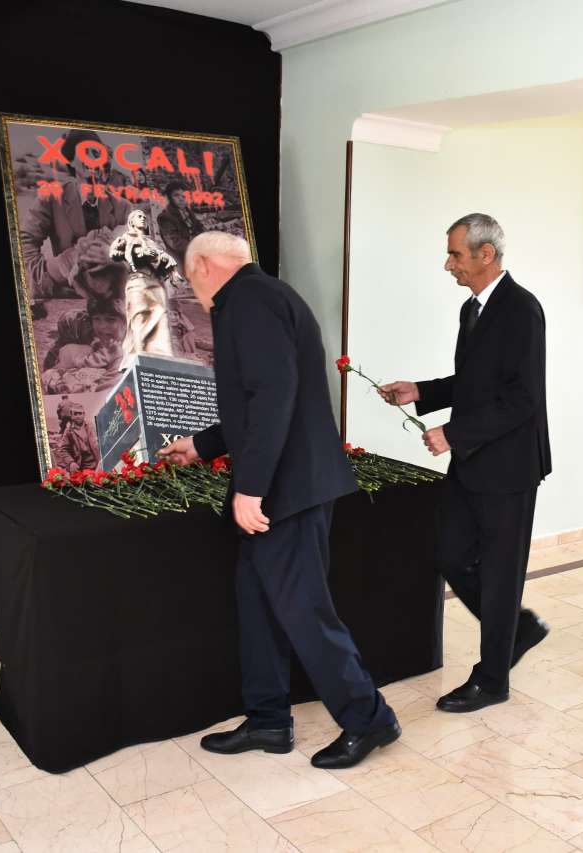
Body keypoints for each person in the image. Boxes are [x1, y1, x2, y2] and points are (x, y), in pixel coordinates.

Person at [159, 232, 399, 770]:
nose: (192, 288)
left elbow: (273, 396)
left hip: (286, 490)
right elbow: (258, 401)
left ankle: (370, 719)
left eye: (189, 276)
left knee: (304, 610)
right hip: (289, 484)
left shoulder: (248, 300)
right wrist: (202, 445)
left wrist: (252, 488)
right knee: (260, 604)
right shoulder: (263, 296)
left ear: (203, 264)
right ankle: (268, 719)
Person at [380, 213, 551, 714]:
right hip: (474, 460)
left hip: (510, 467)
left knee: (500, 576)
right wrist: (421, 392)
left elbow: (523, 399)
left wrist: (452, 434)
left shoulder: (522, 310)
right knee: (450, 554)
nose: (448, 264)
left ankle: (493, 679)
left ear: (486, 254)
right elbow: (475, 383)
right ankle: (518, 629)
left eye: (455, 254)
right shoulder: (471, 309)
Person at [18, 128, 130, 300]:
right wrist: (50, 276)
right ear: (71, 161)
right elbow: (24, 242)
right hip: (68, 293)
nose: (92, 159)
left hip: (111, 294)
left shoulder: (122, 207)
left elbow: (139, 249)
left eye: (97, 153)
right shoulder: (52, 197)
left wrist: (114, 255)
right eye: (85, 152)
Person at [111, 209, 176, 358]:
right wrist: (138, 252)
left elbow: (163, 263)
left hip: (155, 284)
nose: (142, 219)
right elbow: (114, 254)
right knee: (139, 314)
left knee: (160, 314)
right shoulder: (125, 238)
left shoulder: (151, 242)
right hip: (137, 281)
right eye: (138, 216)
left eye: (144, 217)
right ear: (131, 221)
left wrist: (160, 259)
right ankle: (139, 353)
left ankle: (161, 354)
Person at [157, 181, 206, 262]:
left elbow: (198, 226)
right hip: (181, 255)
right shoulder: (165, 217)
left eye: (184, 196)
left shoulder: (187, 210)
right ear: (170, 198)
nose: (181, 199)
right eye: (176, 195)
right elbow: (175, 243)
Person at [59, 402, 99, 470]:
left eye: (80, 413)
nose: (78, 416)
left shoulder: (91, 426)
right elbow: (63, 450)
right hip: (81, 467)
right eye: (75, 414)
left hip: (97, 463)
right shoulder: (69, 431)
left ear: (84, 414)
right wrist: (71, 462)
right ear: (71, 415)